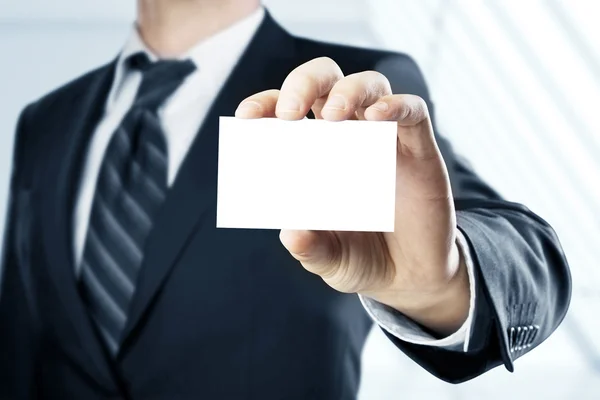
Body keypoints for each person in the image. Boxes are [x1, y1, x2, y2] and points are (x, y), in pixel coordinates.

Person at [0, 0, 571, 399]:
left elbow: (527, 254)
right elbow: (24, 340)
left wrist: (441, 282)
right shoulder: (46, 123)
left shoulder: (346, 92)